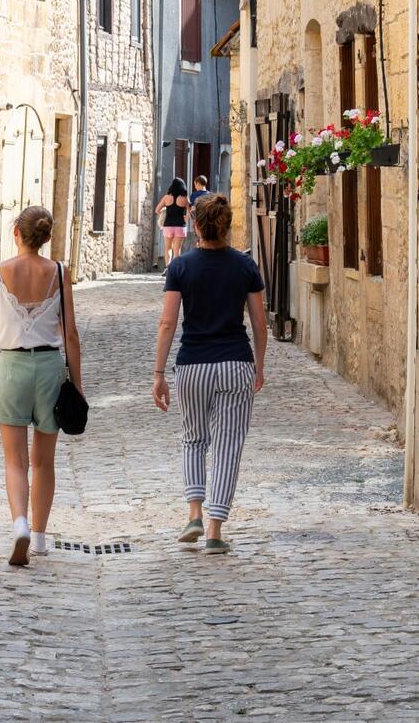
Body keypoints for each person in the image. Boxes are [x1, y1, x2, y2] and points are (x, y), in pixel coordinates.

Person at [0, 206, 82, 566]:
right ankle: (42, 539)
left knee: (14, 460)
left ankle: (20, 525)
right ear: (46, 237)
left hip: (12, 367)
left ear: (16, 232)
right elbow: (72, 333)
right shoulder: (59, 273)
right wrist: (76, 383)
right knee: (44, 461)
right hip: (49, 368)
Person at [151, 195, 266, 554]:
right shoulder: (245, 267)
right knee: (228, 446)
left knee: (194, 439)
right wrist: (259, 365)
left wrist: (158, 372)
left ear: (195, 226)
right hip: (235, 363)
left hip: (193, 365)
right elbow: (260, 323)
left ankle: (194, 513)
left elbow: (169, 322)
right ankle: (215, 530)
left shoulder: (181, 268)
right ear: (226, 226)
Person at [155, 177, 192, 264]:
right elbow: (190, 212)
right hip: (180, 226)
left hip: (168, 226)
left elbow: (157, 210)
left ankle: (168, 268)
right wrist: (185, 217)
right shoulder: (185, 199)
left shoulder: (166, 198)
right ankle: (175, 269)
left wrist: (164, 210)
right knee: (177, 249)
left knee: (168, 248)